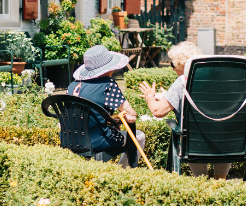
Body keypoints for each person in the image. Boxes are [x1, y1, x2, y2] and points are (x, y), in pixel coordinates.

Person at [138, 41, 232, 179]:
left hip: (195, 142)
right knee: (218, 131)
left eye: (172, 64)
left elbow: (157, 111)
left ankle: (202, 181)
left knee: (190, 135)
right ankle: (220, 180)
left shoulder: (182, 80)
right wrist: (169, 96)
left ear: (181, 65)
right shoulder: (218, 79)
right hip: (226, 140)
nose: (172, 68)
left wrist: (149, 97)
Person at [68, 45, 146, 168]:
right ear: (108, 68)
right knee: (139, 136)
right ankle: (123, 173)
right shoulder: (107, 85)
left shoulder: (73, 86)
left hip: (71, 140)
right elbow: (130, 115)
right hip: (98, 142)